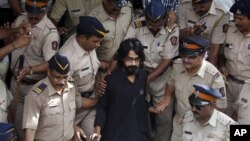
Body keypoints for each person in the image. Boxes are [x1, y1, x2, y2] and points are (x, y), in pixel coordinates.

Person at [17, 16, 109, 140]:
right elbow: (30, 131)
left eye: (65, 77)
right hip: (78, 108)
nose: (98, 45)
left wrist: (99, 83)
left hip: (89, 102)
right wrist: (31, 70)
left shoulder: (70, 84)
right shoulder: (68, 57)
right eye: (95, 41)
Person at [125, 1, 179, 140]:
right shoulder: (138, 24)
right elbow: (127, 47)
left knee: (164, 117)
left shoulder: (172, 28)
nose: (154, 28)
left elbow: (167, 60)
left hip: (162, 75)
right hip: (138, 71)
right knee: (138, 112)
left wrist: (148, 79)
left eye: (158, 24)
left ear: (165, 18)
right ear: (145, 18)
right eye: (151, 24)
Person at [157, 36, 227, 141]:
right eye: (184, 55)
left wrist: (192, 118)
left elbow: (221, 107)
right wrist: (167, 97)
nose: (186, 60)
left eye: (191, 57)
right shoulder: (177, 65)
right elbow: (171, 82)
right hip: (179, 122)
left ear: (202, 55)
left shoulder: (213, 76)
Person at [9, 0, 59, 139]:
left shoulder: (50, 32)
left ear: (45, 11)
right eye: (30, 12)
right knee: (16, 126)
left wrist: (29, 70)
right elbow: (11, 43)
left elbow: (51, 63)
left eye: (37, 14)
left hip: (34, 87)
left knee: (32, 129)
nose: (32, 17)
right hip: (16, 83)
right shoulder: (21, 19)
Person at [90, 38, 151, 141]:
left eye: (136, 59)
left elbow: (141, 100)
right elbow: (102, 107)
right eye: (129, 59)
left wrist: (152, 108)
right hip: (116, 135)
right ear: (122, 59)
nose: (133, 63)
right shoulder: (110, 80)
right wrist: (97, 131)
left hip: (139, 134)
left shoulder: (143, 76)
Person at [22, 53, 84, 141]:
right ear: (48, 72)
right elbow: (30, 129)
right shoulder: (36, 94)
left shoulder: (72, 87)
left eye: (65, 77)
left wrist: (74, 127)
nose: (62, 82)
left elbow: (67, 115)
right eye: (57, 77)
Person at [218, 0, 250, 123]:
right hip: (229, 84)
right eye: (235, 18)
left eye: (241, 19)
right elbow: (221, 53)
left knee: (243, 123)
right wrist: (221, 65)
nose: (236, 22)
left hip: (248, 87)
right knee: (223, 120)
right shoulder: (229, 31)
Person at [88, 0, 132, 79]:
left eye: (120, 5)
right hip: (101, 71)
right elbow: (86, 53)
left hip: (125, 68)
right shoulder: (93, 20)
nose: (118, 8)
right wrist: (100, 64)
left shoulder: (128, 9)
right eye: (114, 5)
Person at [178, 0, 229, 65]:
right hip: (185, 52)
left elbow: (214, 49)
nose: (197, 10)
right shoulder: (184, 6)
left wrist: (209, 71)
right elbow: (179, 35)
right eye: (194, 6)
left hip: (206, 55)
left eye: (202, 7)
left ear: (211, 1)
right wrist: (188, 33)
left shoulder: (221, 14)